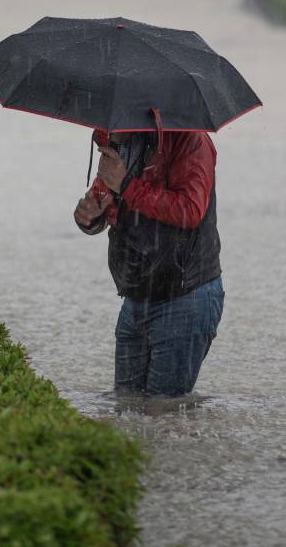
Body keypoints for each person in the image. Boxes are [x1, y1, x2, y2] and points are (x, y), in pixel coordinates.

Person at [74, 128, 224, 397]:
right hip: (135, 297)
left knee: (164, 410)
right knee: (126, 405)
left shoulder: (192, 140)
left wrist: (126, 185)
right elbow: (106, 199)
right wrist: (90, 216)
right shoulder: (119, 138)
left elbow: (189, 210)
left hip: (184, 296)